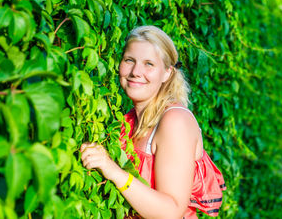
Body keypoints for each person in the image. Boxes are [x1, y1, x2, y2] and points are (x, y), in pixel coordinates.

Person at [80, 25, 226, 218]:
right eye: (129, 60)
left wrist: (112, 169)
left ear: (167, 73)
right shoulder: (129, 120)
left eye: (149, 64)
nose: (135, 71)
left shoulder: (175, 121)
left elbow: (171, 211)